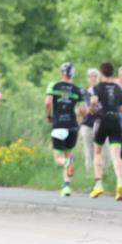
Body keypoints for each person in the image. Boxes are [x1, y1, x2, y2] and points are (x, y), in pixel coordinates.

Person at [45, 62, 88, 197]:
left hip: (59, 125)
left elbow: (47, 103)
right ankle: (66, 187)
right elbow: (84, 110)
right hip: (73, 127)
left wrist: (49, 116)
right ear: (72, 74)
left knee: (59, 159)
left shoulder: (54, 85)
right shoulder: (78, 89)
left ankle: (67, 164)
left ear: (62, 72)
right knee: (68, 154)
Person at [89, 62, 122, 200]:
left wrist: (92, 109)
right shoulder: (118, 88)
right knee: (116, 155)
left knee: (98, 152)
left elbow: (93, 102)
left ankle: (98, 184)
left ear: (100, 73)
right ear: (113, 73)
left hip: (102, 121)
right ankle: (120, 183)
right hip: (116, 121)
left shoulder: (97, 87)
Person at [79, 68, 109, 172]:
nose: (93, 78)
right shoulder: (84, 93)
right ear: (88, 79)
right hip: (87, 124)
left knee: (104, 151)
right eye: (90, 76)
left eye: (95, 76)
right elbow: (80, 109)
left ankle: (104, 174)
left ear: (99, 78)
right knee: (88, 151)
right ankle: (89, 174)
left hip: (101, 124)